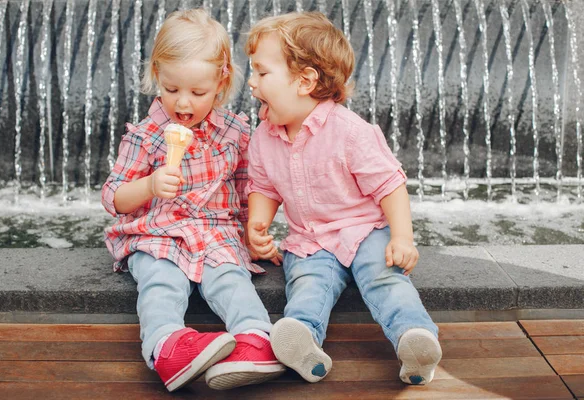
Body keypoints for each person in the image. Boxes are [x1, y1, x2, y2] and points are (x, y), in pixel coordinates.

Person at [244, 11, 442, 386]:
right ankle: (301, 339)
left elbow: (389, 185)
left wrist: (402, 237)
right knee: (306, 283)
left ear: (305, 81)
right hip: (311, 240)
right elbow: (264, 187)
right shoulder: (263, 137)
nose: (251, 83)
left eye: (262, 73)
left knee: (385, 279)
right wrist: (258, 225)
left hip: (366, 231)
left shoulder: (351, 132)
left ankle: (415, 339)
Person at [101, 9, 285, 393]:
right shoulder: (146, 134)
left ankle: (256, 340)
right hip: (158, 233)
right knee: (160, 282)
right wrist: (150, 185)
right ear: (157, 75)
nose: (183, 103)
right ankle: (167, 345)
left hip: (217, 233)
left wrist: (255, 235)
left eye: (197, 93)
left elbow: (246, 185)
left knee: (232, 281)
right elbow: (114, 197)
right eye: (171, 90)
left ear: (222, 81)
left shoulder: (234, 131)